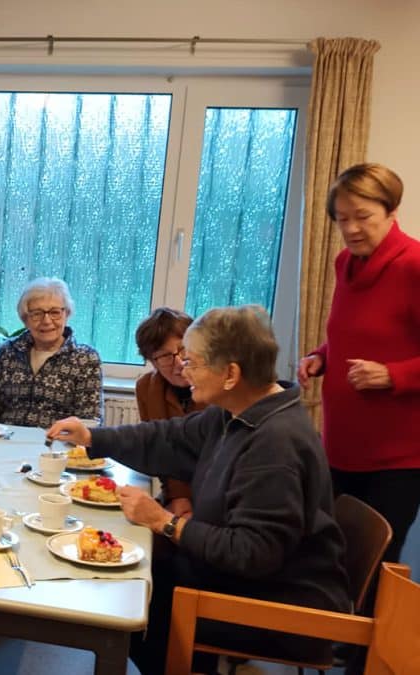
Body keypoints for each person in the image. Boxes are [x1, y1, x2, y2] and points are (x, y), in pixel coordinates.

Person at [48, 305, 349, 675]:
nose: (184, 371)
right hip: (236, 579)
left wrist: (165, 522)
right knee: (129, 581)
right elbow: (169, 437)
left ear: (231, 374)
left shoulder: (275, 443)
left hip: (280, 604)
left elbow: (253, 553)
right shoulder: (238, 411)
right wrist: (93, 436)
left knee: (129, 611)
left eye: (193, 362)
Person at [298, 162, 420, 564]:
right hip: (340, 448)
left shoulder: (413, 266)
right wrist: (321, 356)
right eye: (342, 219)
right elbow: (351, 333)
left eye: (363, 217)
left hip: (396, 458)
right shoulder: (345, 264)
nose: (351, 229)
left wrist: (393, 374)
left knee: (369, 570)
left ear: (390, 211)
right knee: (327, 560)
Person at [0, 277, 102, 427]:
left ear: (67, 314)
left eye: (55, 312)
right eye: (37, 313)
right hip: (6, 441)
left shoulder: (85, 359)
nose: (46, 321)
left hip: (57, 446)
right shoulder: (8, 352)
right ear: (25, 319)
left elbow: (90, 421)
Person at [133, 307, 207, 518]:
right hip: (175, 495)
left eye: (183, 349)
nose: (178, 364)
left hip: (216, 498)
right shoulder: (146, 388)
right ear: (152, 362)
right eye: (165, 356)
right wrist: (179, 497)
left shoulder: (216, 384)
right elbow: (161, 451)